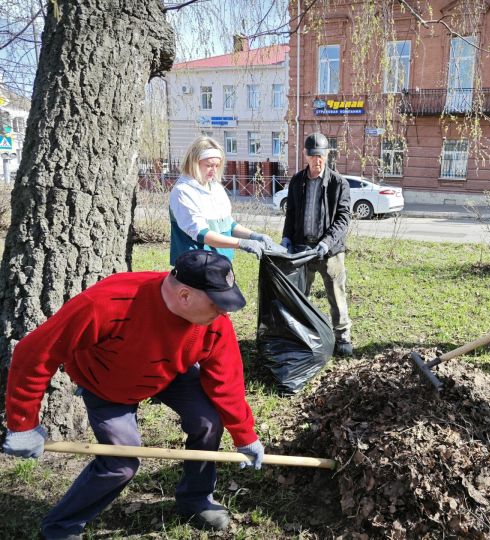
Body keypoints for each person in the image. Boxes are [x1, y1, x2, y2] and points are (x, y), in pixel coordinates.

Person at [3, 250, 266, 538]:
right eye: (217, 303)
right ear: (185, 296)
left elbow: (226, 380)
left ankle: (195, 498)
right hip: (107, 383)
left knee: (208, 421)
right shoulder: (108, 303)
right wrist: (23, 423)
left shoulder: (214, 323)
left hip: (169, 371)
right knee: (121, 462)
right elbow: (35, 353)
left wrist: (245, 435)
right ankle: (61, 527)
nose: (223, 312)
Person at [280, 132, 353, 357]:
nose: (316, 161)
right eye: (312, 156)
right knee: (302, 294)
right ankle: (305, 334)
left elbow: (343, 218)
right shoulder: (297, 181)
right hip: (303, 250)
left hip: (330, 252)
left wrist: (326, 243)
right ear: (305, 155)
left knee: (336, 295)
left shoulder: (339, 184)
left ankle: (343, 338)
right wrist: (287, 239)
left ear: (327, 155)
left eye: (320, 156)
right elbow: (291, 214)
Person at [169, 136, 276, 265]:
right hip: (195, 267)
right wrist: (240, 243)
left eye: (217, 165)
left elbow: (228, 224)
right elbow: (202, 234)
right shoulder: (183, 191)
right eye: (208, 165)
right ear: (193, 162)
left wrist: (253, 236)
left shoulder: (215, 188)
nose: (213, 170)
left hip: (219, 265)